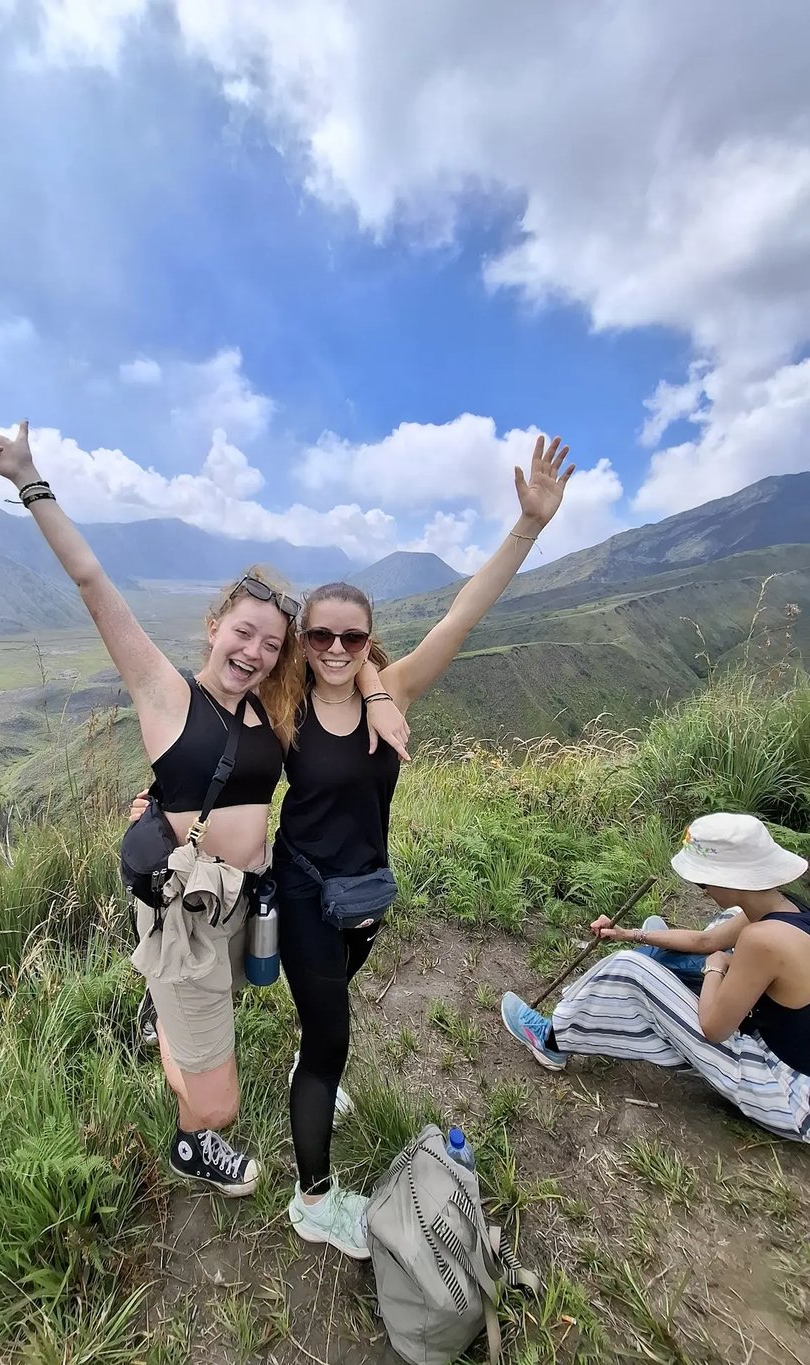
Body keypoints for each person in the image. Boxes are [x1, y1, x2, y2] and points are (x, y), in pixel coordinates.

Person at [0, 410, 409, 1198]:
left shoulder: (270, 703)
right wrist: (29, 480)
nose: (255, 652)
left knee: (222, 1004)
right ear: (213, 626)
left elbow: (343, 659)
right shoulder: (167, 694)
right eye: (243, 633)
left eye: (271, 644)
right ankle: (191, 1140)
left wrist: (373, 687)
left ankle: (165, 1015)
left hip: (242, 902)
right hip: (183, 908)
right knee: (219, 1101)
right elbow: (94, 583)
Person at [276, 435, 574, 1258]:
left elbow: (462, 615)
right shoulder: (285, 704)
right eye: (321, 637)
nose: (337, 651)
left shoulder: (396, 687)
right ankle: (313, 1198)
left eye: (353, 638)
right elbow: (217, 726)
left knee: (331, 1004)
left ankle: (313, 1054)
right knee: (330, 1044)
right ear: (303, 640)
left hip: (365, 889)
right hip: (302, 887)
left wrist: (527, 525)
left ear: (371, 639)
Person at [500, 813, 810, 1144]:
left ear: (732, 878)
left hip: (786, 1092)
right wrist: (629, 933)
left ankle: (552, 1041)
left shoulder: (762, 940)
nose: (703, 891)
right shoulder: (784, 908)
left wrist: (716, 968)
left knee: (630, 969)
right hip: (777, 1038)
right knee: (726, 922)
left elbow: (714, 1028)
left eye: (703, 882)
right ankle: (660, 967)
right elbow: (706, 941)